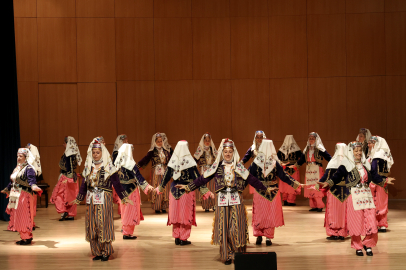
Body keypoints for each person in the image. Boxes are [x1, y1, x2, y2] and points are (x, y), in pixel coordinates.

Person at [176, 139, 274, 265]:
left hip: (236, 200)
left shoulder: (239, 167)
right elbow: (202, 179)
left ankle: (238, 253)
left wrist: (266, 188)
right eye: (225, 152)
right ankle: (226, 255)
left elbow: (251, 179)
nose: (228, 154)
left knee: (237, 227)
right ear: (222, 153)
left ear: (233, 152)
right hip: (222, 200)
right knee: (224, 227)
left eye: (230, 152)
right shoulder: (217, 167)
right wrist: (188, 187)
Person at [318, 141, 395, 256]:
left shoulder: (366, 164)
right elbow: (337, 176)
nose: (358, 153)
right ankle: (357, 246)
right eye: (356, 151)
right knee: (356, 222)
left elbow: (374, 176)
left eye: (360, 150)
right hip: (354, 196)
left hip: (367, 195)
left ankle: (368, 244)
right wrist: (328, 183)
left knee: (371, 221)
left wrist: (384, 180)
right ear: (351, 151)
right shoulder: (346, 164)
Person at [71, 139, 131, 261]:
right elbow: (84, 184)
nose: (95, 155)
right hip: (91, 198)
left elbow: (117, 183)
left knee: (104, 223)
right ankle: (96, 251)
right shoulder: (89, 166)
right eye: (93, 152)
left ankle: (106, 251)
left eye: (97, 152)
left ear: (102, 153)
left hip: (104, 197)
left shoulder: (109, 166)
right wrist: (79, 198)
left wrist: (124, 197)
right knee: (92, 224)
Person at [157, 140, 213, 245]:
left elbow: (165, 177)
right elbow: (197, 178)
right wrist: (205, 191)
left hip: (173, 190)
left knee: (176, 214)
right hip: (186, 190)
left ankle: (177, 237)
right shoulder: (190, 162)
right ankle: (183, 238)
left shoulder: (172, 161)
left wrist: (160, 188)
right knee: (185, 214)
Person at [248, 139, 301, 246]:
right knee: (261, 215)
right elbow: (248, 176)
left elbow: (283, 176)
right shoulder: (258, 162)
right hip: (262, 192)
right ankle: (260, 236)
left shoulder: (272, 163)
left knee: (268, 215)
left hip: (270, 193)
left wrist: (296, 184)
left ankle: (267, 236)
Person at [1, 148, 42, 245]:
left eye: (21, 156)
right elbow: (13, 181)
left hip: (24, 195)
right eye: (17, 156)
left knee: (24, 216)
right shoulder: (18, 168)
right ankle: (23, 237)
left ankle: (27, 237)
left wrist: (34, 186)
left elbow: (32, 180)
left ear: (26, 157)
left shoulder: (29, 168)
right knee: (18, 216)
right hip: (16, 194)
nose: (18, 158)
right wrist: (7, 189)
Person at [114, 143, 154, 239]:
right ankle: (127, 233)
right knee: (130, 211)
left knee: (124, 211)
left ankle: (125, 229)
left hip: (122, 192)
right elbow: (139, 177)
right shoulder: (130, 164)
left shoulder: (117, 164)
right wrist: (147, 187)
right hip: (131, 191)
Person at [290, 132, 331, 212]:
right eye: (310, 138)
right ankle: (313, 205)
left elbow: (328, 157)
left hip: (317, 169)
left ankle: (320, 205)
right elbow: (302, 160)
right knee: (309, 186)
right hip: (309, 169)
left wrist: (334, 164)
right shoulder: (307, 149)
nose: (311, 140)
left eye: (313, 139)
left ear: (316, 140)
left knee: (316, 186)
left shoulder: (320, 149)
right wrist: (294, 166)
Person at [317, 143, 348, 240]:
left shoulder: (333, 162)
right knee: (343, 213)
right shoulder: (348, 163)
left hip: (334, 192)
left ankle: (334, 233)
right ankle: (342, 233)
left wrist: (318, 184)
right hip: (346, 192)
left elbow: (326, 176)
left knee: (334, 213)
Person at [137, 132, 173, 213]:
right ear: (155, 142)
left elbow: (172, 161)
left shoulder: (166, 151)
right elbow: (145, 159)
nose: (160, 143)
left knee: (165, 188)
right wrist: (136, 167)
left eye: (161, 141)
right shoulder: (152, 151)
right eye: (158, 142)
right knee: (157, 187)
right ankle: (157, 207)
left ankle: (164, 207)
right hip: (156, 173)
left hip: (165, 172)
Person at [50, 136, 82, 221]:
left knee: (60, 195)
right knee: (71, 196)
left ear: (68, 144)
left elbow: (69, 167)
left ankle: (63, 211)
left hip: (67, 177)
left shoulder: (69, 154)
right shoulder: (73, 152)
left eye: (64, 143)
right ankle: (70, 214)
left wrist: (68, 179)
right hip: (72, 177)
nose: (63, 144)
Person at [367, 136, 394, 233]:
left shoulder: (377, 156)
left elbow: (373, 172)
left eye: (371, 143)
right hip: (383, 183)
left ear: (376, 144)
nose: (368, 145)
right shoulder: (385, 155)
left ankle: (374, 224)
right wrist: (385, 180)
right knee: (382, 203)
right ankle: (382, 224)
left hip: (376, 184)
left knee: (375, 204)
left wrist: (381, 180)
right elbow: (388, 171)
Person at [194, 133, 218, 212]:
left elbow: (217, 159)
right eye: (206, 140)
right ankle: (206, 205)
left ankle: (214, 204)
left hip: (211, 170)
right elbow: (195, 160)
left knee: (212, 187)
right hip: (203, 170)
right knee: (205, 187)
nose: (207, 142)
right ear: (203, 141)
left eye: (208, 140)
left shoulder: (212, 149)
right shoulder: (200, 149)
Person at [277, 135, 302, 206]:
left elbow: (276, 158)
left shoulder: (281, 149)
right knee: (290, 183)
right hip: (291, 168)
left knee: (286, 184)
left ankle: (286, 200)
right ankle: (289, 200)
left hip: (287, 168)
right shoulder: (296, 149)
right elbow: (302, 157)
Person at [111, 134, 129, 216]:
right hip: (119, 174)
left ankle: (126, 209)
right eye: (123, 141)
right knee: (120, 191)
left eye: (126, 140)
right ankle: (122, 211)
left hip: (127, 173)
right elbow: (115, 164)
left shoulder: (128, 151)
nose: (125, 142)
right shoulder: (116, 152)